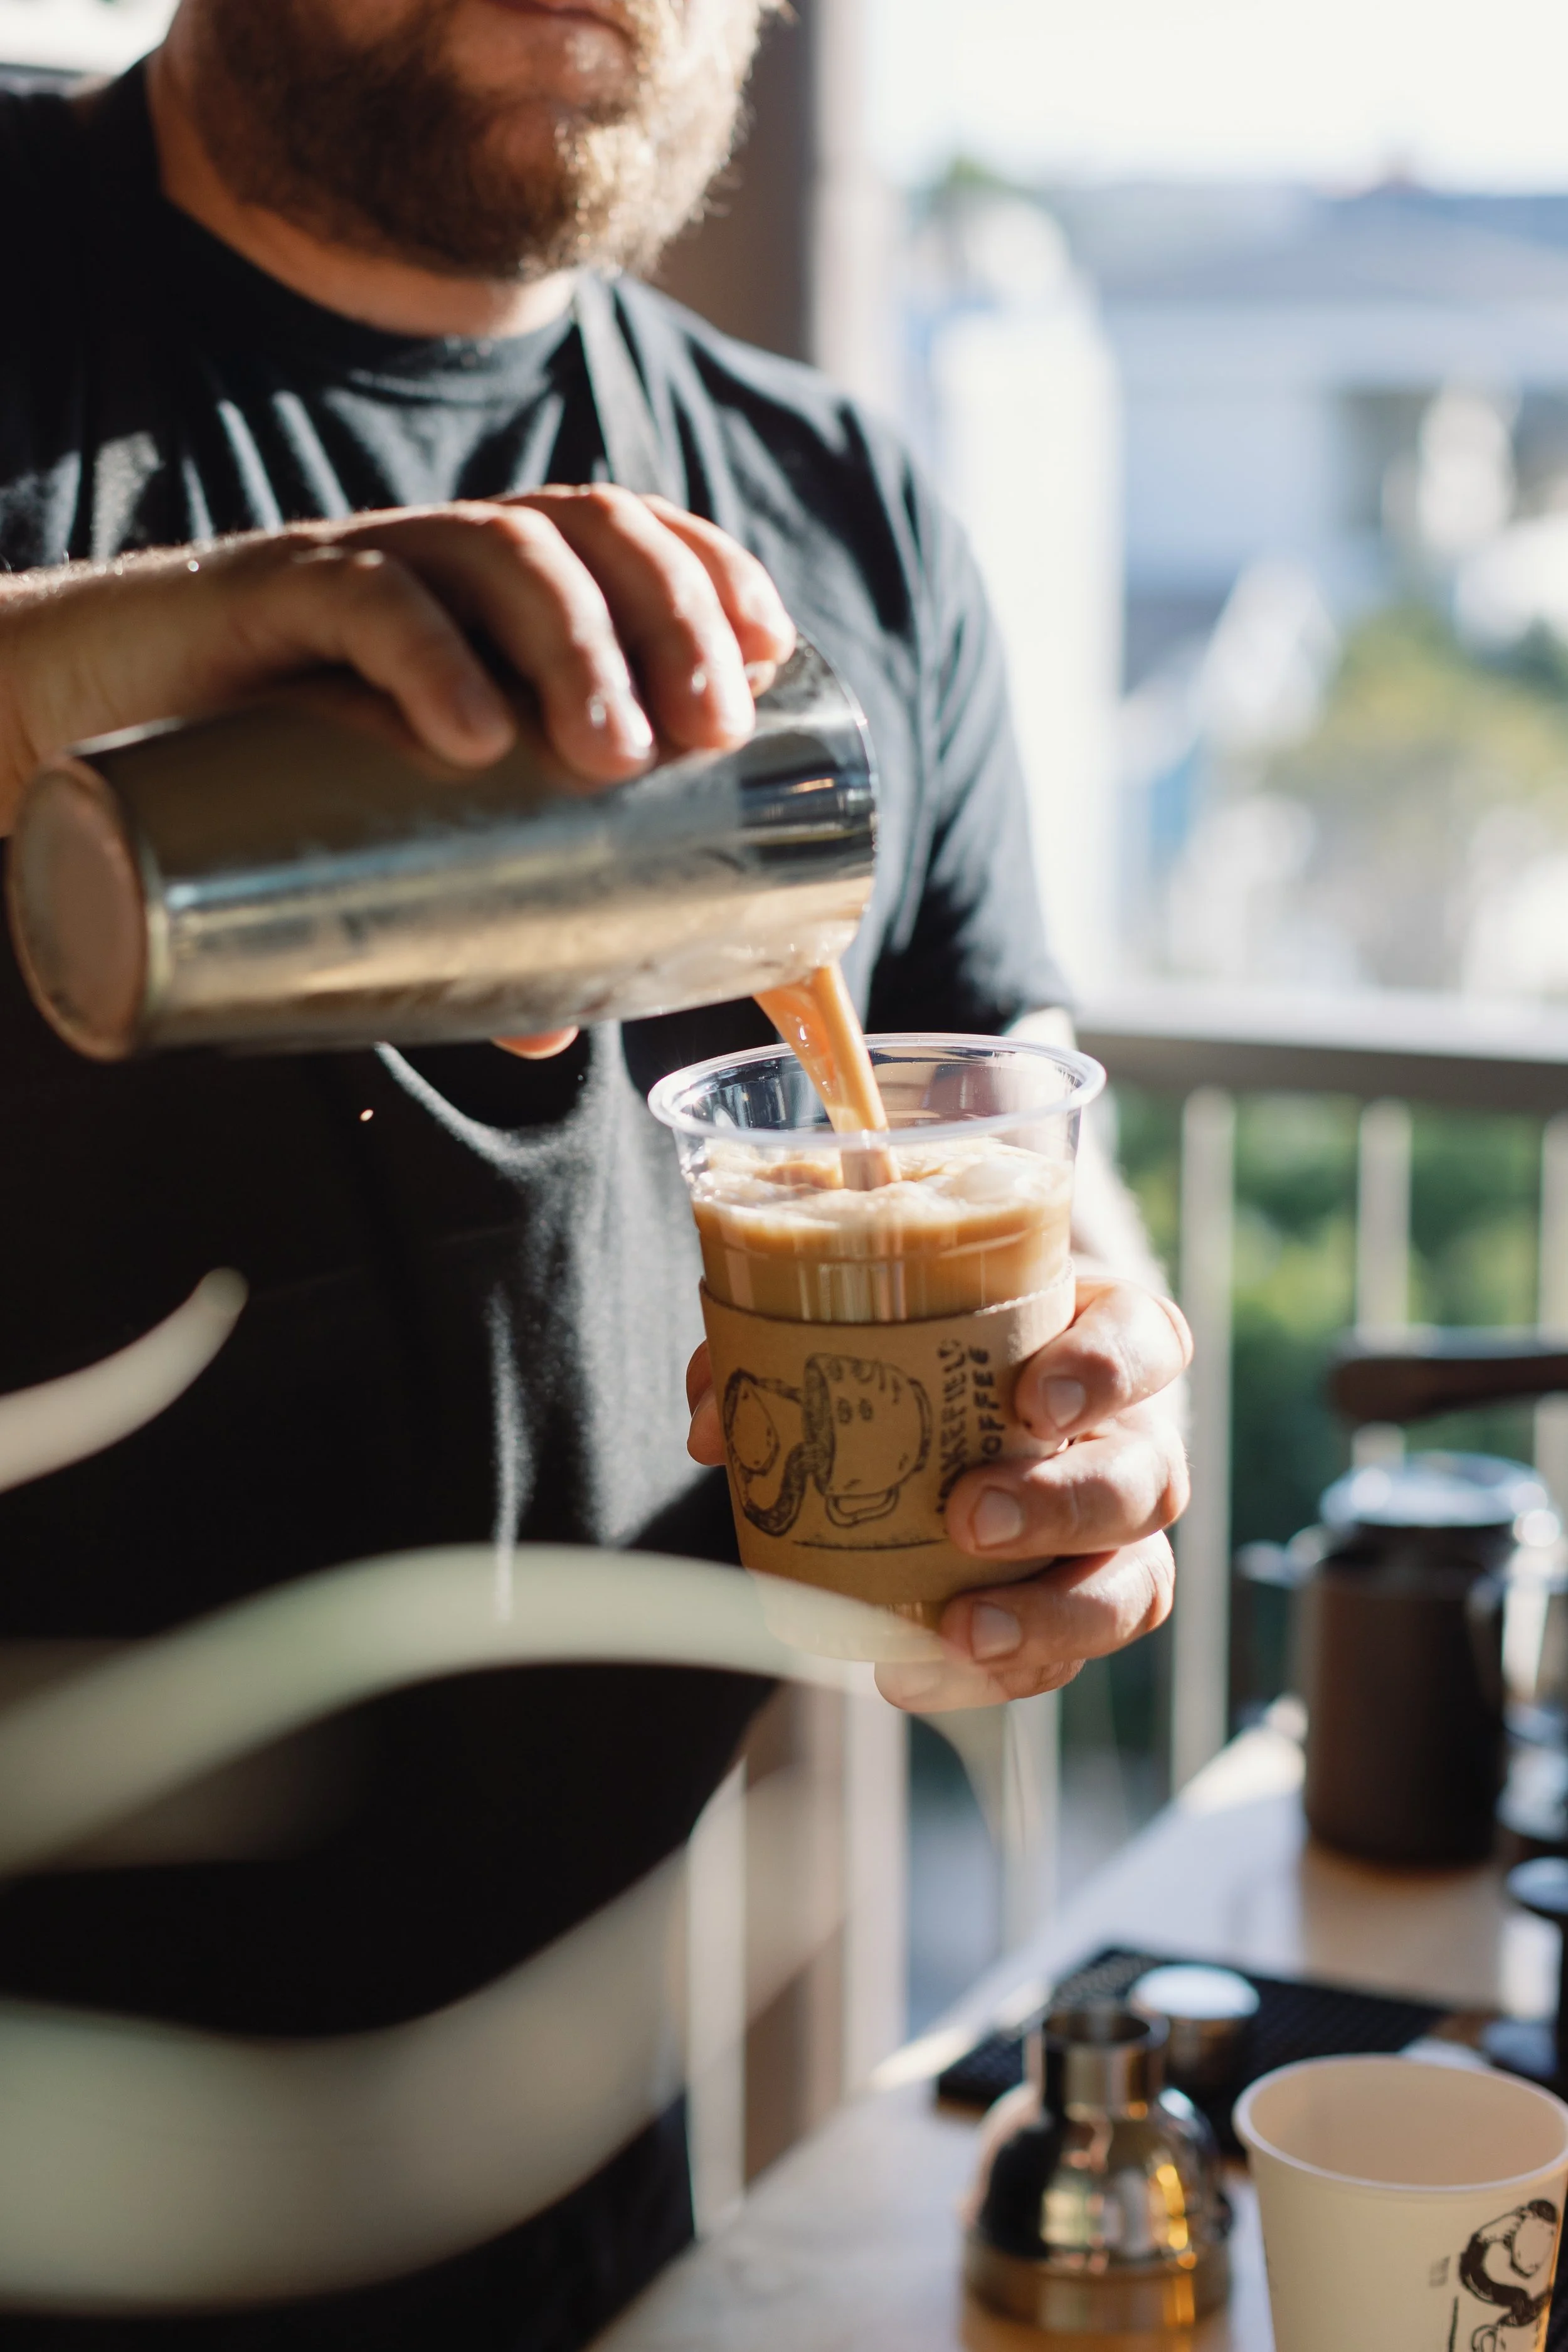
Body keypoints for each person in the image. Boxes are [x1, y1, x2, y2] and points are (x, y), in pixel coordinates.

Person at [0, 2, 1191, 2343]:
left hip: (556, 2158)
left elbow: (1016, 1118)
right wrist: (76, 679)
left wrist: (1099, 1400)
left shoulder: (828, 508)